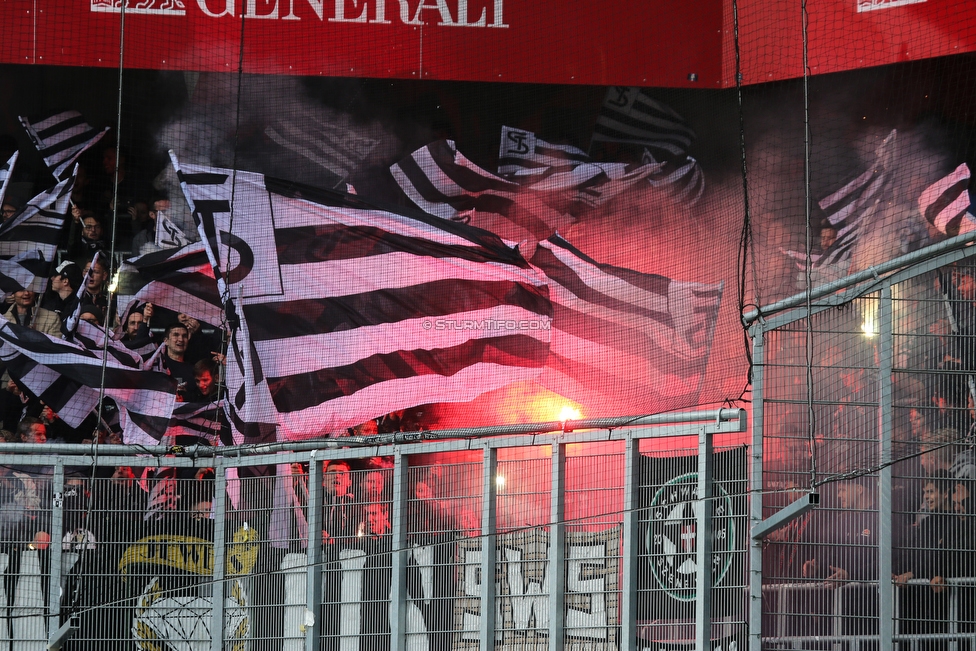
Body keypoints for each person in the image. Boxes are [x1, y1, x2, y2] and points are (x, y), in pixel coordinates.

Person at [160, 322, 195, 400]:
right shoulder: (159, 365)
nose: (181, 339)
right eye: (176, 335)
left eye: (184, 336)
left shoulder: (193, 370)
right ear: (166, 341)